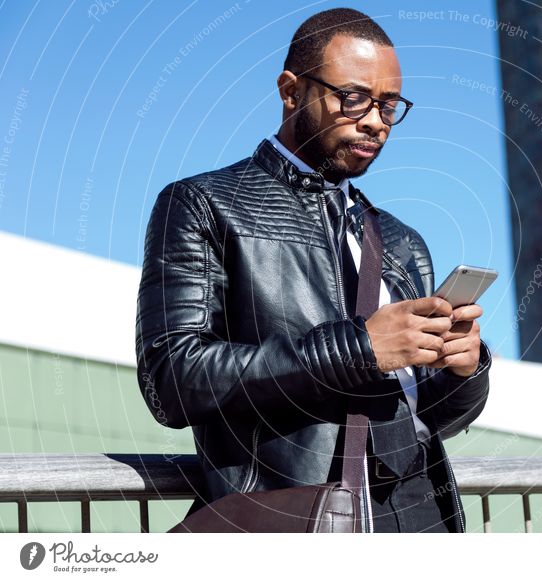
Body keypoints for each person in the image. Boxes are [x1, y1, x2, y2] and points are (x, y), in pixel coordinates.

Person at [135, 7, 491, 533]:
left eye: (389, 105)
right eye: (353, 98)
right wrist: (359, 349)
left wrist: (465, 372)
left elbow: (421, 421)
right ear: (290, 91)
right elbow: (172, 380)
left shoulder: (401, 242)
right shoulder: (204, 204)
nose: (374, 120)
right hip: (298, 520)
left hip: (424, 519)